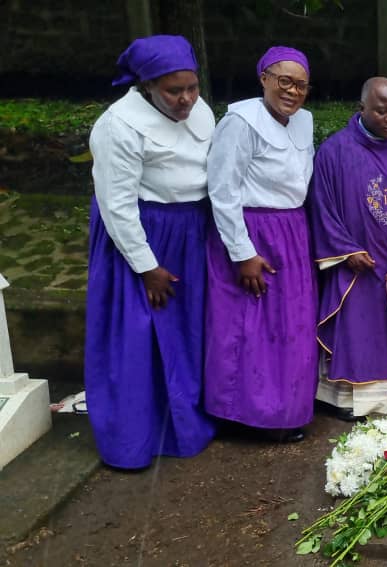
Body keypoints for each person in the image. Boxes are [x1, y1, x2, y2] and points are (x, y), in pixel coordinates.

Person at [85, 35, 216, 469]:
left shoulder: (201, 112)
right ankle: (133, 439)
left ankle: (186, 420)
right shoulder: (117, 126)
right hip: (143, 237)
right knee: (140, 335)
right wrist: (146, 266)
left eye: (192, 88)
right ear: (146, 87)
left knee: (186, 329)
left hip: (190, 232)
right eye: (173, 91)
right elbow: (116, 204)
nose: (186, 100)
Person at [204, 46, 317, 442]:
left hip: (291, 230)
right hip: (253, 231)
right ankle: (244, 414)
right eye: (284, 81)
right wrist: (243, 252)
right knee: (249, 325)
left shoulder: (303, 121)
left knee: (290, 323)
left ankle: (286, 409)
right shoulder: (239, 122)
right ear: (264, 78)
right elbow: (222, 190)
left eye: (300, 84)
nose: (292, 91)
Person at [308, 77, 387, 420]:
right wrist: (345, 249)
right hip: (357, 259)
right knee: (357, 327)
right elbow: (321, 205)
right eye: (382, 111)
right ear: (362, 109)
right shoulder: (335, 151)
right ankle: (347, 401)